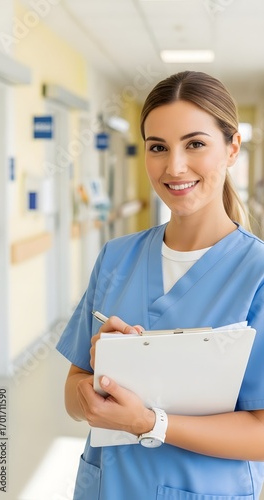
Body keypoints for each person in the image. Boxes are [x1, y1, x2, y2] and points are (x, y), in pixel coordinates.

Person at [56, 71, 264, 500]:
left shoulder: (256, 272)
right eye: (158, 148)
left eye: (195, 144)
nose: (174, 167)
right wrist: (94, 388)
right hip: (107, 487)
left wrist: (150, 423)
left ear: (231, 149)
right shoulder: (117, 257)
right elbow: (73, 394)